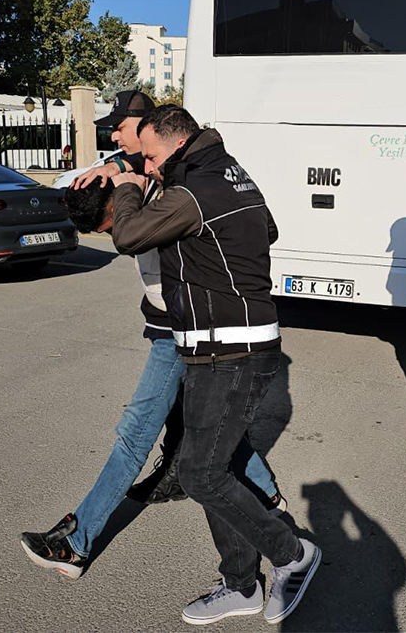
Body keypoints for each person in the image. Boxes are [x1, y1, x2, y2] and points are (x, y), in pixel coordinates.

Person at [18, 101, 284, 581]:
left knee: (138, 435)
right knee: (213, 434)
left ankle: (77, 543)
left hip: (186, 330)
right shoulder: (173, 172)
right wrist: (116, 167)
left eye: (120, 130)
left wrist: (122, 191)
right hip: (197, 329)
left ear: (154, 134)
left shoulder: (178, 190)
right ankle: (265, 502)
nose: (116, 139)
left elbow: (133, 233)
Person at [105, 106, 319, 625]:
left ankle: (294, 555)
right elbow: (266, 228)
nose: (149, 165)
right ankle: (241, 585)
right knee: (210, 468)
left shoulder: (195, 190)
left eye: (152, 157)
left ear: (177, 145)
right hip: (211, 346)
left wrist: (128, 184)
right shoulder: (226, 173)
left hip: (235, 349)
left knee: (199, 474)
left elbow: (127, 235)